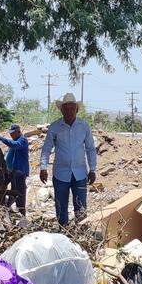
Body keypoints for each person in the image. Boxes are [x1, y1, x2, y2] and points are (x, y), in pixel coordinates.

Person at [39, 93, 96, 225]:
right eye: (66, 108)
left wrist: (92, 169)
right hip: (60, 174)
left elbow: (90, 148)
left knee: (81, 207)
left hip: (80, 173)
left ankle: (81, 234)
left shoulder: (84, 126)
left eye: (72, 108)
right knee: (61, 207)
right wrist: (43, 167)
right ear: (62, 110)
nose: (69, 111)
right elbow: (47, 148)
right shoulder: (55, 127)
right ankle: (63, 233)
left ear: (76, 109)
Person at [0, 123, 30, 212]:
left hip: (20, 171)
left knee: (20, 192)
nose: (11, 135)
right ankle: (7, 207)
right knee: (14, 191)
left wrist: (1, 138)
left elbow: (15, 145)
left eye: (13, 133)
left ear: (18, 132)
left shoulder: (22, 140)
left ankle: (22, 213)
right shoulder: (15, 140)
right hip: (14, 171)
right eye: (10, 133)